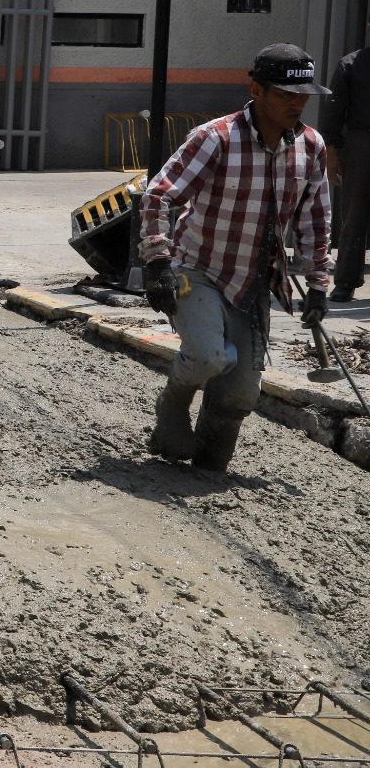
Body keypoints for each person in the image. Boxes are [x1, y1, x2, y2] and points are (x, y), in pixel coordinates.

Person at [138, 43, 332, 473]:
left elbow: (315, 219)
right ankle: (173, 406)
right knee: (210, 355)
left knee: (242, 391)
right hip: (198, 268)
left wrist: (318, 286)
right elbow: (159, 196)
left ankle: (208, 459)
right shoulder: (216, 138)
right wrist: (156, 263)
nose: (296, 104)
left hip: (254, 282)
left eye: (302, 96)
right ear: (256, 90)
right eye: (285, 94)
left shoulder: (310, 146)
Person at [321, 40, 370, 301]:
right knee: (354, 213)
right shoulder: (351, 64)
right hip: (362, 142)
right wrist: (331, 153)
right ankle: (346, 281)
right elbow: (334, 110)